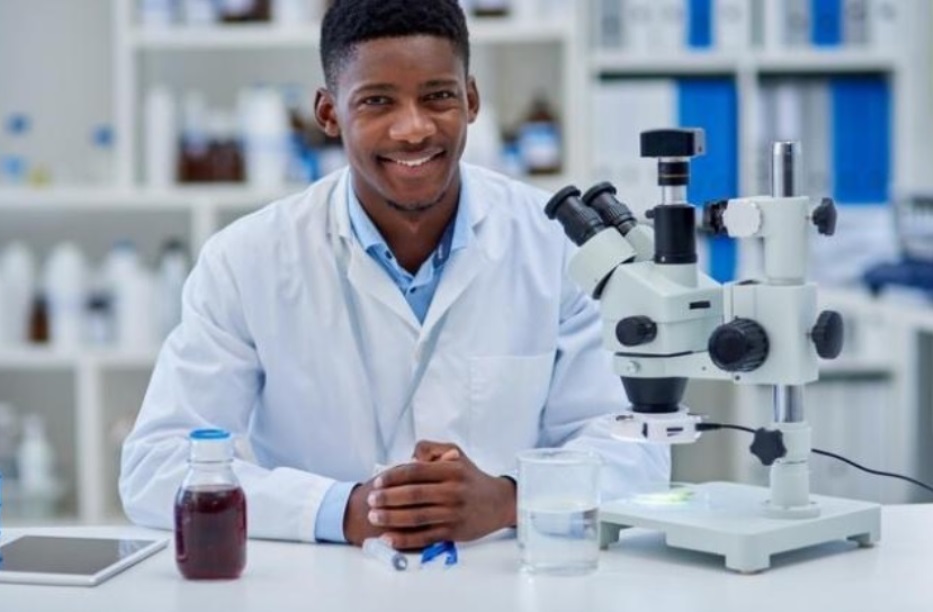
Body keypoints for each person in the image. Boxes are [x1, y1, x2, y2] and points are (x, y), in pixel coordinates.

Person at [119, 0, 669, 550]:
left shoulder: (557, 245)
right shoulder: (246, 259)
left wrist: (509, 500)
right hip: (321, 584)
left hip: (508, 579)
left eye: (438, 97)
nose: (413, 129)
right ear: (329, 113)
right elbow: (157, 468)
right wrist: (345, 511)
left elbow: (637, 447)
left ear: (471, 100)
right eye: (377, 101)